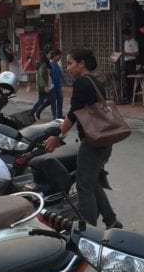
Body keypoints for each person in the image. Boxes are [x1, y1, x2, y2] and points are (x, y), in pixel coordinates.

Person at [44, 48, 122, 229]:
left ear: (81, 64)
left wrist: (57, 136)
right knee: (92, 181)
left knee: (83, 186)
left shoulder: (82, 83)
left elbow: (73, 114)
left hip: (93, 141)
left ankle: (89, 230)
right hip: (104, 140)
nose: (68, 68)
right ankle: (111, 220)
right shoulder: (95, 81)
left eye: (70, 63)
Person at [31, 51, 54, 120]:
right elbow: (41, 75)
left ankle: (36, 112)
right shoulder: (42, 64)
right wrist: (45, 86)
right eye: (50, 54)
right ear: (46, 54)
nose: (51, 55)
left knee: (45, 100)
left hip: (47, 85)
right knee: (42, 100)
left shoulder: (47, 62)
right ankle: (32, 113)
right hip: (43, 86)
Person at [120, 28, 139, 104]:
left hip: (132, 62)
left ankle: (133, 97)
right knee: (127, 80)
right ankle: (128, 96)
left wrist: (127, 54)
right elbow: (125, 52)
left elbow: (137, 53)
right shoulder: (125, 42)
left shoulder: (134, 42)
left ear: (129, 35)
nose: (124, 38)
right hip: (126, 62)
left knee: (132, 79)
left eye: (125, 36)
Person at [49, 49, 65, 119]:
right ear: (55, 56)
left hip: (58, 85)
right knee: (53, 101)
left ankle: (59, 115)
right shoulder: (50, 64)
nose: (60, 57)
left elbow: (60, 73)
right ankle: (55, 116)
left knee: (60, 100)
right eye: (59, 56)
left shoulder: (57, 64)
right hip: (52, 86)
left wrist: (62, 80)